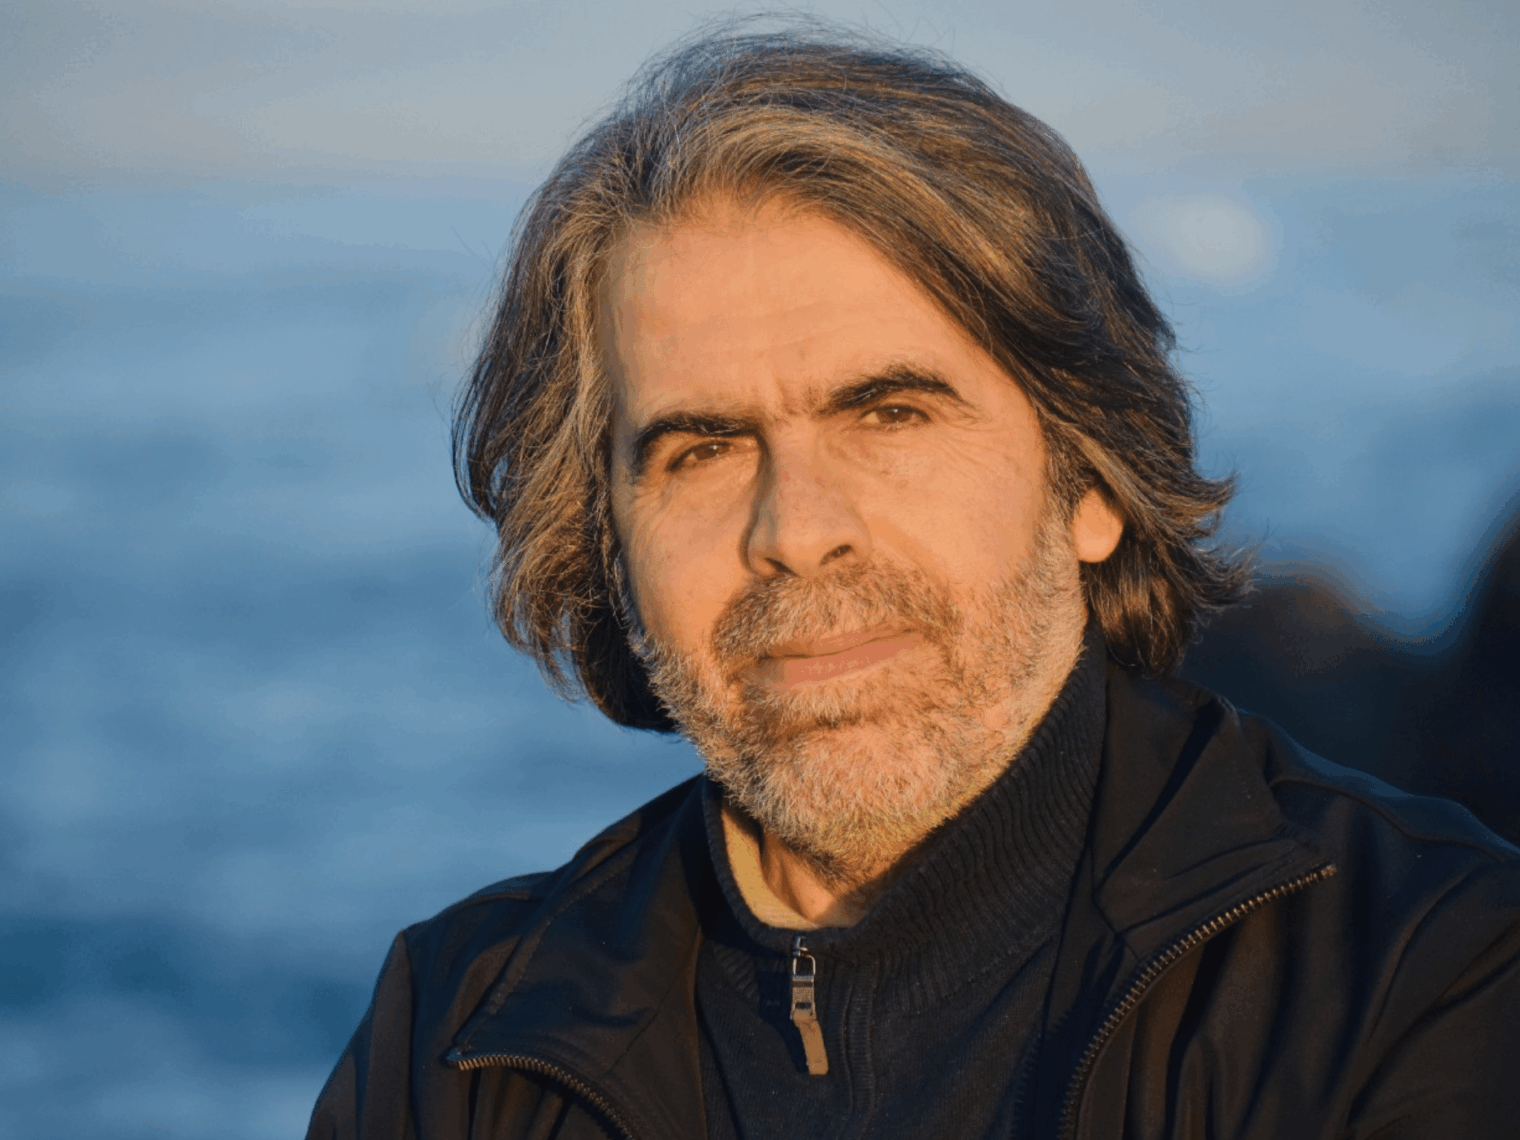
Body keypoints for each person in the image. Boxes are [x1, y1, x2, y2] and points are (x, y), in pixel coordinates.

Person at [308, 23, 1520, 1140]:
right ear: (607, 551)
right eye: (702, 451)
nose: (797, 531)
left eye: (889, 414)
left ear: (1089, 481)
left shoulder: (1424, 973)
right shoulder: (462, 1046)